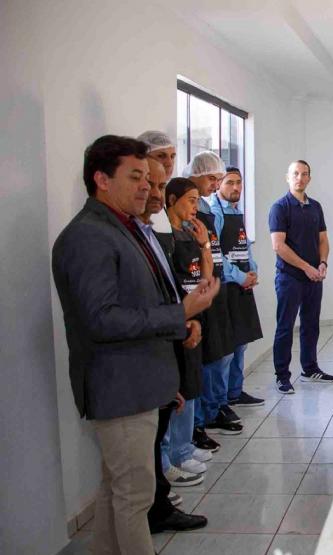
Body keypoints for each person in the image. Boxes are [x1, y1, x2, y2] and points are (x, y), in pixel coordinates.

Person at [52, 135, 217, 554]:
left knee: (117, 491)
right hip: (119, 385)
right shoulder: (89, 235)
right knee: (134, 497)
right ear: (101, 179)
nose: (147, 186)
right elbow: (102, 320)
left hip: (140, 379)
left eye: (149, 178)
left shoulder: (125, 227)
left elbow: (145, 301)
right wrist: (180, 314)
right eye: (136, 176)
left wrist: (177, 332)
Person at [137, 161, 210, 532]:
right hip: (151, 349)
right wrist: (180, 319)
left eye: (156, 184)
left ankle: (162, 490)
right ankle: (164, 476)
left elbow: (203, 285)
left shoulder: (154, 232)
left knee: (184, 393)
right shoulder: (119, 236)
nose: (149, 192)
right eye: (144, 181)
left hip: (178, 329)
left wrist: (186, 319)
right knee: (129, 483)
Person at [183, 152, 242, 441]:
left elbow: (211, 248)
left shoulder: (208, 208)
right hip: (195, 292)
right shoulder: (191, 209)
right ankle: (199, 420)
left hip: (215, 284)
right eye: (213, 178)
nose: (215, 184)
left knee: (223, 352)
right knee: (206, 359)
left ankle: (216, 406)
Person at [270, 160, 333, 393]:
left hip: (314, 278)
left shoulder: (315, 207)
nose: (300, 177)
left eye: (304, 174)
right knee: (285, 327)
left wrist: (323, 263)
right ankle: (282, 376)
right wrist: (306, 267)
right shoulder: (280, 207)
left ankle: (310, 368)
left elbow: (323, 240)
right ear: (287, 177)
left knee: (311, 325)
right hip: (289, 278)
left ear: (309, 178)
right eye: (295, 174)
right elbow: (278, 246)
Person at [211, 167, 265, 407]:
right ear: (218, 185)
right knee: (226, 350)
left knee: (240, 342)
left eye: (239, 183)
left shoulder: (237, 211)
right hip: (226, 287)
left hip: (243, 284)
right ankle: (219, 403)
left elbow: (245, 247)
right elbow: (215, 255)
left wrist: (252, 271)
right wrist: (238, 276)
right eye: (230, 182)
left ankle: (235, 391)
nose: (236, 188)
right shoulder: (214, 212)